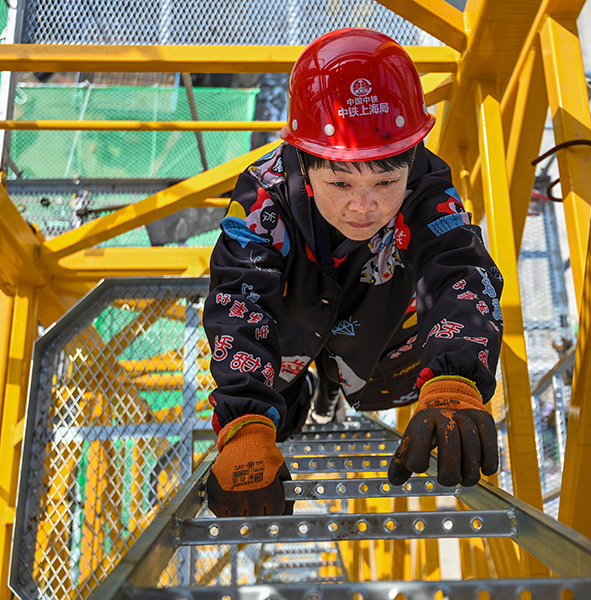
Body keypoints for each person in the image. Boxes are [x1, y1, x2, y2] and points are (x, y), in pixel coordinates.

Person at [202, 27, 504, 518]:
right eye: (339, 181)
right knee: (285, 405)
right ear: (303, 160)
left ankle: (329, 389)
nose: (363, 207)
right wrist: (248, 425)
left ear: (412, 161)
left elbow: (460, 270)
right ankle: (310, 397)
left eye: (386, 181)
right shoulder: (266, 197)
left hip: (373, 344)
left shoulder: (428, 190)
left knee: (356, 379)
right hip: (289, 338)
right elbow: (240, 295)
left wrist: (455, 380)